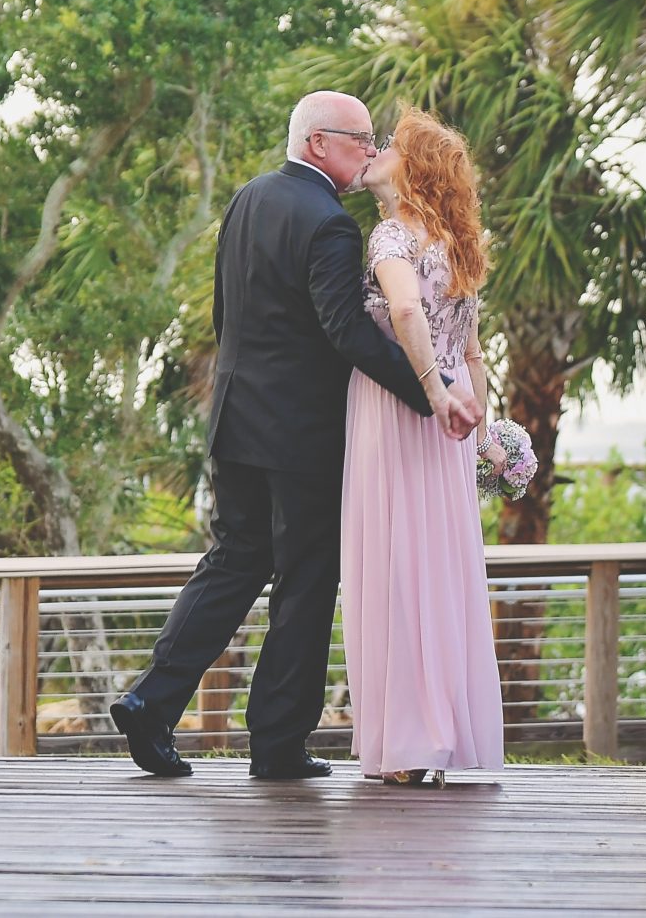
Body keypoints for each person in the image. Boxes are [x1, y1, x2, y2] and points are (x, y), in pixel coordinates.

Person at [110, 91, 481, 780]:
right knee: (306, 580)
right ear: (317, 143)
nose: (369, 151)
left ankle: (149, 701)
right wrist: (429, 393)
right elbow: (345, 331)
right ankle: (278, 741)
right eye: (359, 139)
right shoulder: (331, 223)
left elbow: (225, 313)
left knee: (234, 561)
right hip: (302, 432)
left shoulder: (248, 198)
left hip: (235, 417)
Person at [341, 106, 505, 786]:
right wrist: (484, 433)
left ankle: (410, 743)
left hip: (403, 412)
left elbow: (406, 310)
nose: (376, 150)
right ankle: (440, 732)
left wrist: (434, 393)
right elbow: (474, 352)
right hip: (452, 429)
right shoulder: (457, 244)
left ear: (413, 168)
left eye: (391, 145)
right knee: (439, 569)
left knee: (395, 567)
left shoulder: (391, 236)